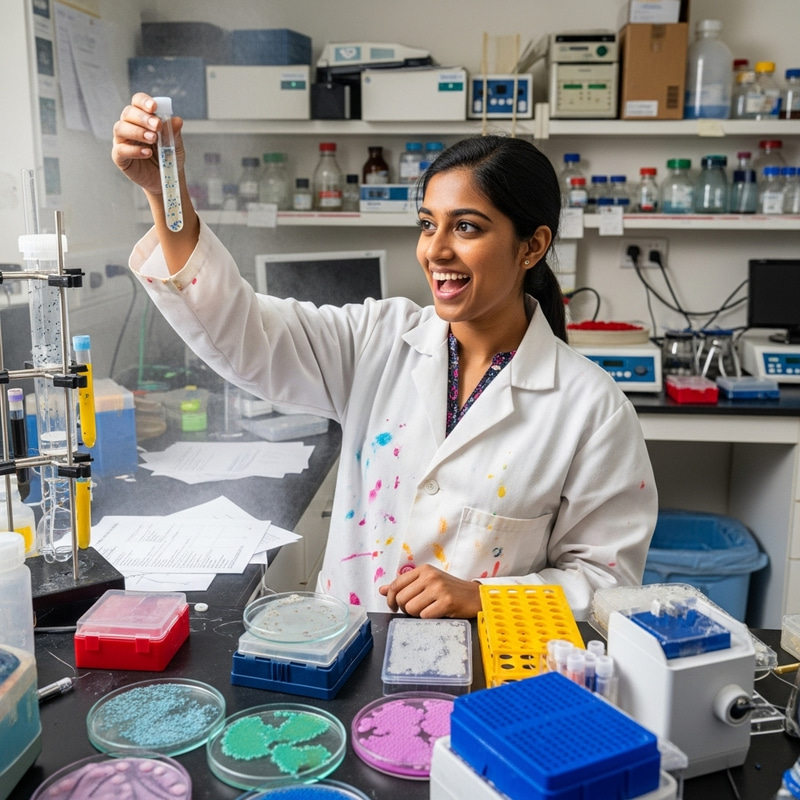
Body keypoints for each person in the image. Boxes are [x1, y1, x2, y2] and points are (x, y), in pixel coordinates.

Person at [112, 93, 657, 620]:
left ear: (532, 246)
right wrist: (166, 192)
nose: (435, 249)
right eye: (427, 223)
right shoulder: (377, 340)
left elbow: (607, 585)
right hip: (352, 656)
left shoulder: (590, 407)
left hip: (482, 680)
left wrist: (484, 597)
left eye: (466, 227)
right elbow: (243, 333)